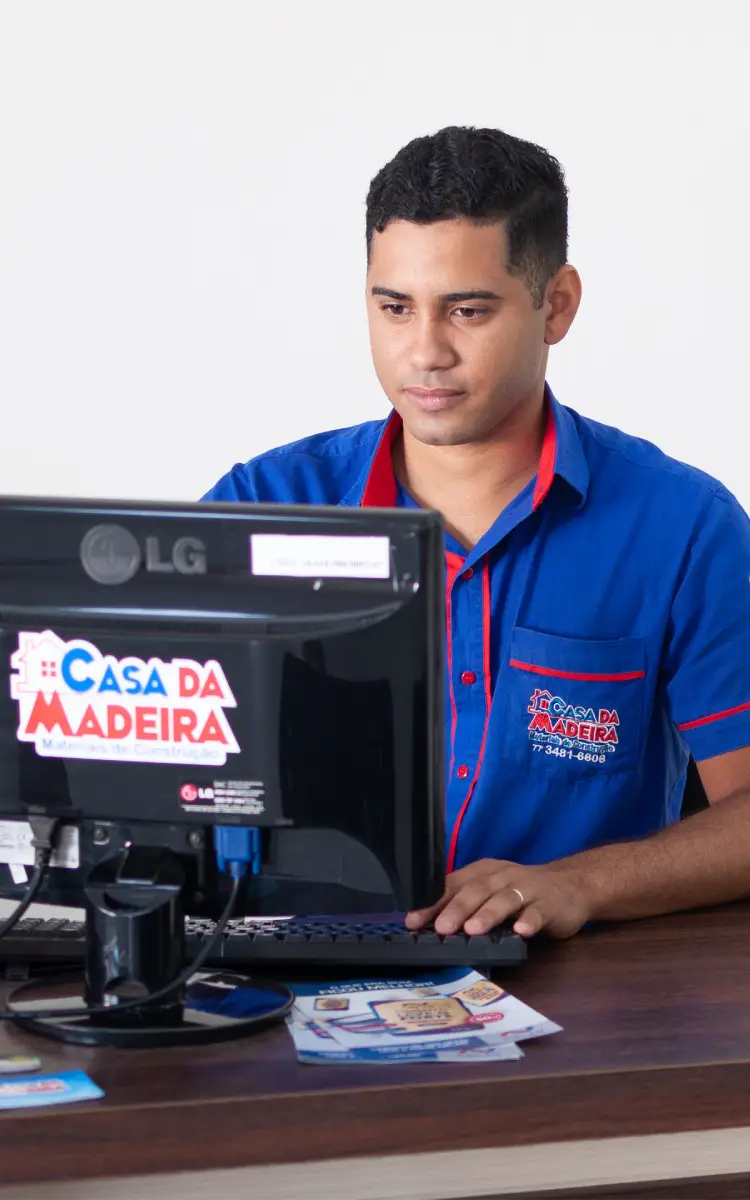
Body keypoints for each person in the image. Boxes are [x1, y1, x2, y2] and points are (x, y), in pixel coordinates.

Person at [203, 126, 750, 942]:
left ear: (555, 304)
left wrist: (579, 884)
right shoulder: (263, 504)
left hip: (576, 994)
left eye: (467, 309)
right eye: (395, 308)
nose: (424, 351)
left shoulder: (683, 528)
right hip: (284, 979)